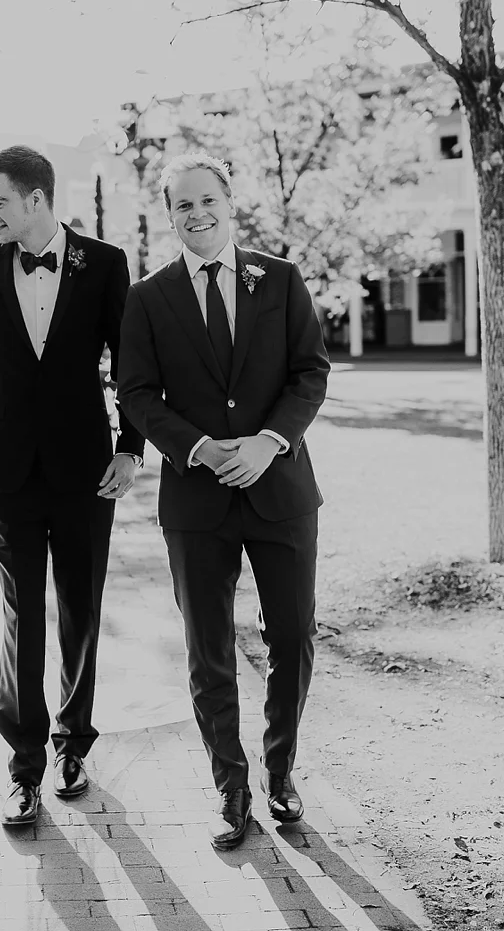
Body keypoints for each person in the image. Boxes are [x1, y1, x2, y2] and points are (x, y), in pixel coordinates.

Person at [117, 154, 331, 850]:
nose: (197, 213)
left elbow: (310, 372)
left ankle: (281, 770)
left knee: (292, 637)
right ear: (169, 214)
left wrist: (270, 441)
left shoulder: (281, 278)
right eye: (183, 204)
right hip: (196, 500)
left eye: (207, 199)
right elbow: (136, 393)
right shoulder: (148, 296)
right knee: (208, 647)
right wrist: (200, 448)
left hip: (281, 490)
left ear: (230, 203)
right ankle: (230, 786)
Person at [0, 145, 144, 826]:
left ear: (36, 199)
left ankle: (73, 745)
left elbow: (130, 364)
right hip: (10, 473)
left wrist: (132, 446)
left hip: (88, 469)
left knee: (81, 610)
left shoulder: (105, 263)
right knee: (20, 616)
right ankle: (24, 766)